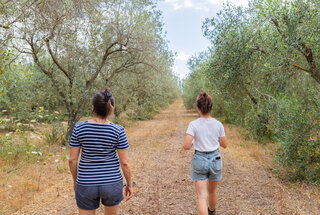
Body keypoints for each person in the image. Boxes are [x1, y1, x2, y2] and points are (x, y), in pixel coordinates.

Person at [69, 89, 133, 215]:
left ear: (93, 107)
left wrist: (76, 180)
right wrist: (129, 184)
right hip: (112, 183)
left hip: (86, 182)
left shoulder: (79, 128)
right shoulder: (118, 130)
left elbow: (72, 160)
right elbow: (125, 162)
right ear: (111, 109)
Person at [183, 91, 227, 215]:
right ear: (211, 107)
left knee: (202, 197)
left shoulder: (193, 125)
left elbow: (186, 146)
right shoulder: (218, 124)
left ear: (198, 108)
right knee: (212, 192)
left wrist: (193, 142)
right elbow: (224, 144)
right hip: (215, 159)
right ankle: (212, 211)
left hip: (199, 160)